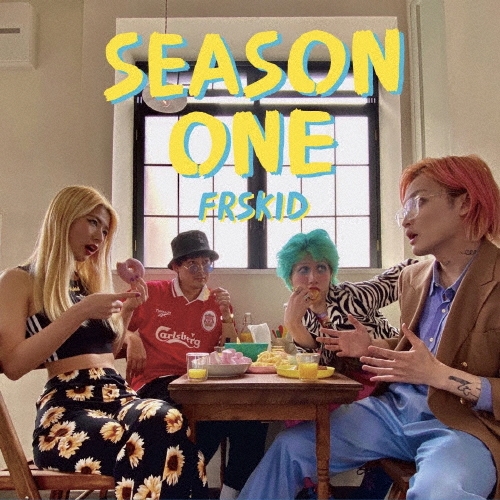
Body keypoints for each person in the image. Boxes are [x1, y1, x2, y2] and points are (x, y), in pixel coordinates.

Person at [239, 154, 500, 500]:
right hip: (391, 412)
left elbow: (429, 365)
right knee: (290, 447)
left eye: (419, 202)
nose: (406, 219)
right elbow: (409, 347)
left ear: (465, 203)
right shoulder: (414, 278)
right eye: (403, 209)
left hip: (463, 426)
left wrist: (440, 376)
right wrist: (369, 346)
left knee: (441, 491)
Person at [0, 186, 208, 500]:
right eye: (93, 222)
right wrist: (80, 311)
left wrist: (129, 309)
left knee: (168, 418)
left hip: (117, 394)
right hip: (67, 409)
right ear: (64, 218)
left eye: (106, 230)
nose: (100, 235)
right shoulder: (19, 280)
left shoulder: (86, 284)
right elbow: (13, 365)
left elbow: (106, 352)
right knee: (169, 447)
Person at [125, 230, 268, 500]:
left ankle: (229, 494)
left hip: (200, 382)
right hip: (156, 383)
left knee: (252, 415)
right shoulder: (151, 293)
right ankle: (186, 488)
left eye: (206, 264)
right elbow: (112, 328)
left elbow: (229, 352)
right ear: (176, 267)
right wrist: (131, 337)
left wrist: (226, 316)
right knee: (208, 418)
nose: (201, 271)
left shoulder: (216, 302)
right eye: (193, 264)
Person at [277, 228, 416, 498]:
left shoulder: (351, 295)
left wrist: (418, 317)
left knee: (315, 414)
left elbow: (406, 271)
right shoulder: (300, 313)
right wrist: (294, 325)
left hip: (384, 380)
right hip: (347, 385)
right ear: (290, 277)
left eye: (321, 268)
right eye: (303, 270)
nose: (313, 278)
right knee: (298, 411)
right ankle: (315, 487)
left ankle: (363, 484)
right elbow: (316, 364)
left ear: (331, 272)